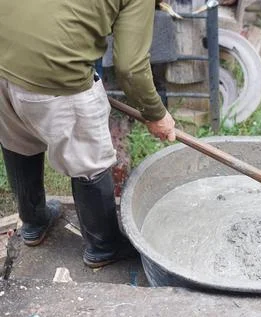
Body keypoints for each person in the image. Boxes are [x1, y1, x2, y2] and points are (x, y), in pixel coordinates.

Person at [0, 0, 175, 268]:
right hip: (57, 74)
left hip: (3, 62)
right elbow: (131, 69)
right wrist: (156, 114)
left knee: (18, 140)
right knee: (88, 158)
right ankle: (104, 246)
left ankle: (34, 223)